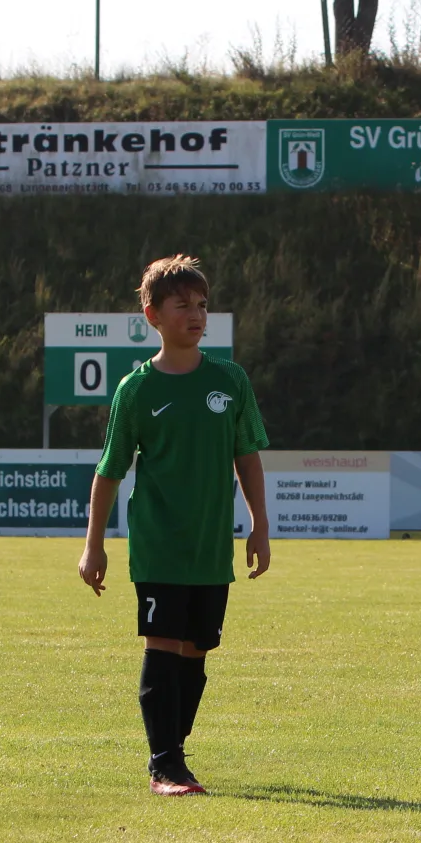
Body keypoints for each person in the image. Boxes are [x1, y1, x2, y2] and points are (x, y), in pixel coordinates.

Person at [78, 256, 271, 796]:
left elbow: (247, 455)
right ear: (153, 316)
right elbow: (110, 470)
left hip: (211, 547)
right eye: (182, 305)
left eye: (202, 305)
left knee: (196, 651)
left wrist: (259, 525)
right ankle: (164, 765)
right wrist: (94, 546)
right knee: (162, 644)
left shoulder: (230, 380)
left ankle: (174, 753)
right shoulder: (136, 389)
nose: (196, 315)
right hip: (159, 544)